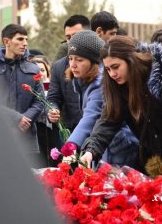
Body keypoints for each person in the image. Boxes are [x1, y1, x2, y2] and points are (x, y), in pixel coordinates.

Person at [79, 35, 162, 180]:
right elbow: (108, 121)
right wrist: (90, 151)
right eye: (107, 69)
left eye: (116, 67)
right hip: (155, 161)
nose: (112, 74)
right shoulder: (118, 87)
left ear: (131, 61)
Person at [49, 31, 139, 167]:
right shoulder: (81, 80)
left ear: (94, 62)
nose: (72, 64)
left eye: (79, 60)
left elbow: (91, 115)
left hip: (119, 147)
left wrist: (72, 144)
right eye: (71, 58)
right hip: (100, 146)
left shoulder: (100, 84)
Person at [0, 24, 44, 162]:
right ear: (6, 41)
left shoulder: (33, 69)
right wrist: (16, 118)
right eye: (20, 39)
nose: (25, 44)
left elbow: (40, 101)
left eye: (26, 40)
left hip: (26, 139)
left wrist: (24, 120)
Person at [46, 15, 90, 148]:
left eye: (75, 36)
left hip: (98, 131)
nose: (71, 41)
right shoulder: (59, 66)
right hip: (71, 132)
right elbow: (53, 97)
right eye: (68, 37)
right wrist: (52, 109)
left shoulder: (103, 63)